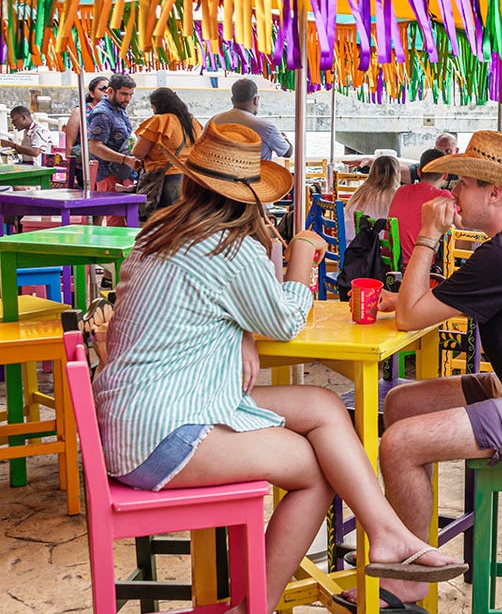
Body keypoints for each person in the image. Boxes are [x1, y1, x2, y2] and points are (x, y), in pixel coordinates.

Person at [93, 122, 465, 613]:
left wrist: (244, 334)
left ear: (191, 183)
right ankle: (260, 605)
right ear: (250, 197)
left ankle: (386, 534)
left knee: (323, 404)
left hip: (135, 418)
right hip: (164, 435)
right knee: (317, 471)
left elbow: (221, 308)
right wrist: (302, 255)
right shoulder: (230, 249)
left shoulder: (156, 237)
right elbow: (286, 321)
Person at [334, 131, 502, 611]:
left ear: (494, 193)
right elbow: (427, 304)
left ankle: (410, 580)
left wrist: (429, 235)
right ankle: (407, 539)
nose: (453, 192)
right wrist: (414, 297)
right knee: (401, 402)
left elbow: (410, 318)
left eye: (463, 183)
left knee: (398, 444)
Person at [129, 88, 203, 220]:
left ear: (155, 106)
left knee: (161, 222)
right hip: (189, 179)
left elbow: (138, 152)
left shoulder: (160, 121)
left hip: (165, 179)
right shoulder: (193, 123)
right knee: (180, 221)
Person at [386, 148, 454, 266]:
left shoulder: (401, 190)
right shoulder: (443, 196)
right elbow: (460, 225)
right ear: (445, 175)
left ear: (418, 172)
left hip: (388, 263)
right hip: (417, 265)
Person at [209, 78, 293, 160]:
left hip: (220, 169)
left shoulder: (214, 121)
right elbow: (287, 152)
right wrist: (284, 138)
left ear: (232, 100)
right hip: (257, 169)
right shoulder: (266, 128)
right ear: (256, 99)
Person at [88, 73, 138, 193]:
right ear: (110, 91)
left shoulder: (119, 108)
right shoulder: (102, 113)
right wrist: (125, 159)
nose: (128, 99)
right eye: (124, 94)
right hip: (109, 176)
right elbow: (95, 147)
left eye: (130, 95)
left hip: (125, 173)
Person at [62, 76, 109, 187]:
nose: (106, 92)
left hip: (107, 168)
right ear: (92, 93)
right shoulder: (80, 112)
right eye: (102, 89)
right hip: (84, 169)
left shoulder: (113, 112)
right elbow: (69, 145)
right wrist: (70, 173)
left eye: (109, 89)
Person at [344, 154, 403, 241]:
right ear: (396, 174)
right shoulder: (396, 197)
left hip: (350, 244)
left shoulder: (360, 193)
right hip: (375, 246)